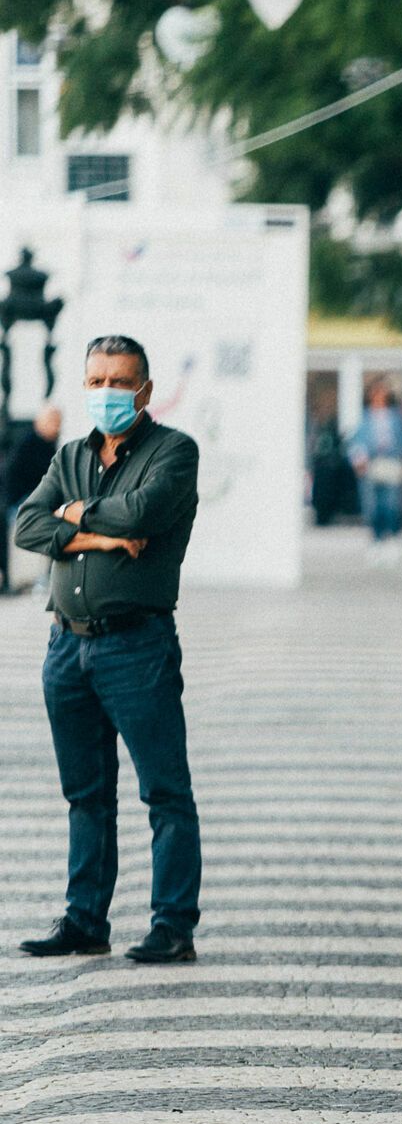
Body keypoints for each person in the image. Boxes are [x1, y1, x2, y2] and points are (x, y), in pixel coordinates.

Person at [13, 335, 203, 964]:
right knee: (84, 795)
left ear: (144, 390)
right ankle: (85, 919)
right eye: (95, 382)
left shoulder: (173, 451)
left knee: (164, 792)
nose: (106, 394)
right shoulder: (70, 453)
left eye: (119, 383)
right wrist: (96, 538)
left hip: (137, 647)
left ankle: (173, 926)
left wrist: (75, 516)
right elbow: (26, 526)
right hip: (67, 647)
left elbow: (142, 513)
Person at [348, 380, 402, 565]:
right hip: (372, 465)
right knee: (373, 507)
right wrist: (358, 459)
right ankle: (376, 541)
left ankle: (392, 539)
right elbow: (356, 442)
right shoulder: (365, 417)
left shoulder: (397, 417)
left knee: (392, 505)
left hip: (392, 464)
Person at [2, 402, 62, 593]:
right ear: (39, 423)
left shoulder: (47, 444)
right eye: (53, 421)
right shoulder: (29, 444)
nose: (57, 426)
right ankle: (44, 577)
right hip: (19, 501)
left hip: (28, 498)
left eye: (58, 422)